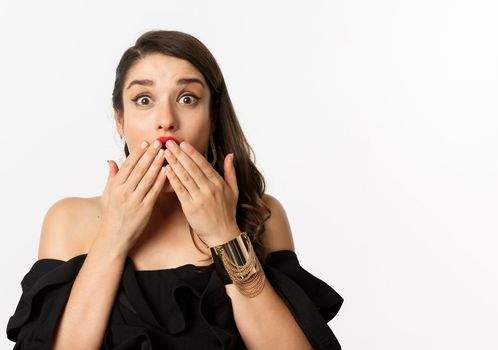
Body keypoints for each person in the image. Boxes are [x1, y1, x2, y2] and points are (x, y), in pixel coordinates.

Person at [6, 30, 343, 349]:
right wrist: (113, 234)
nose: (165, 119)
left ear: (212, 118)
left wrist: (224, 234)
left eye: (187, 98)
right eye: (143, 99)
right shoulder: (68, 219)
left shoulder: (261, 212)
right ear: (120, 121)